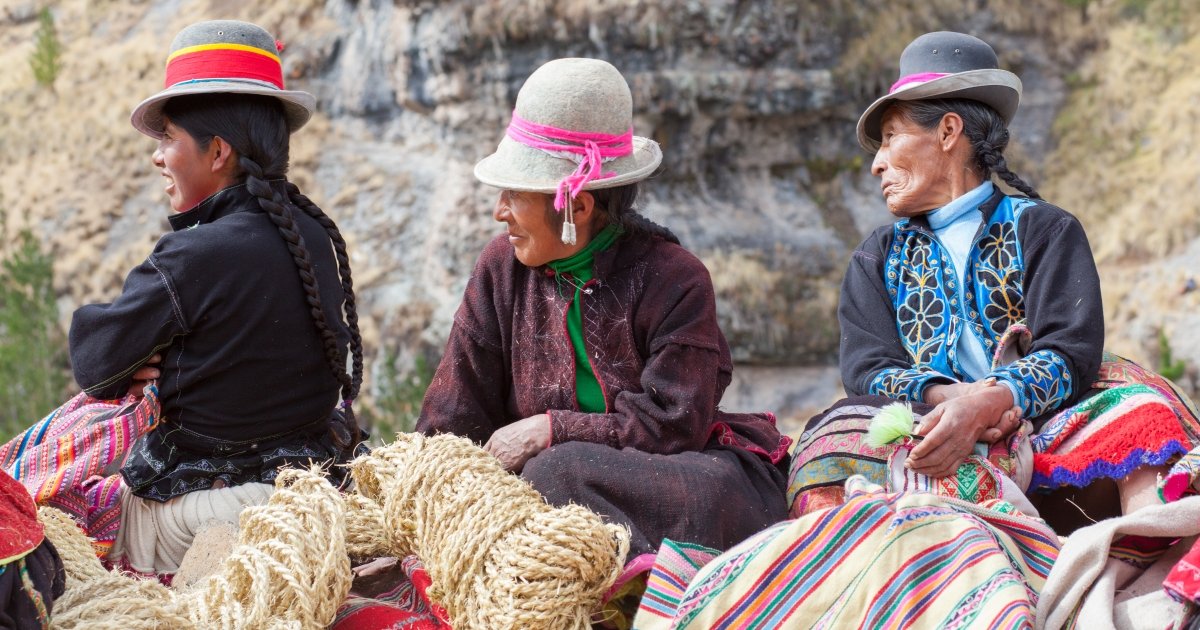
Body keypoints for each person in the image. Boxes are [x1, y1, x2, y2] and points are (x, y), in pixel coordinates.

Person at [788, 31, 1199, 525]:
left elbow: (1070, 349)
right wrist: (954, 399)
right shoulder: (877, 257)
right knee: (826, 443)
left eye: (892, 137)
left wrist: (994, 400)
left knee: (1143, 412)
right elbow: (868, 369)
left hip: (1043, 423)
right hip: (928, 428)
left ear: (947, 132)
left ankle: (1151, 561)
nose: (877, 163)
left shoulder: (1044, 228)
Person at [8, 20, 364, 576]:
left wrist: (145, 361)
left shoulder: (192, 257)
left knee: (42, 516)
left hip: (209, 511)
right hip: (312, 486)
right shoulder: (314, 234)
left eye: (168, 137)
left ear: (217, 150)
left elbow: (94, 361)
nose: (156, 157)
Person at [417, 58, 791, 559]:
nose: (498, 210)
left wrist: (551, 429)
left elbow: (674, 424)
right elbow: (454, 408)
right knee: (528, 480)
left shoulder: (675, 278)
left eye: (513, 195)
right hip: (540, 485)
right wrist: (416, 484)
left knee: (559, 472)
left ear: (577, 207)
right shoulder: (500, 268)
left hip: (658, 474)